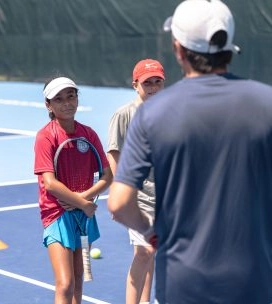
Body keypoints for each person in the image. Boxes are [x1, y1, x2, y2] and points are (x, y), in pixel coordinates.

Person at [107, 0, 272, 303]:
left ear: (178, 49)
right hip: (255, 279)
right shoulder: (266, 103)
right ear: (229, 45)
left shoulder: (153, 114)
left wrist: (150, 231)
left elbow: (118, 204)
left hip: (185, 282)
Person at [34, 76, 112, 303]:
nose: (67, 103)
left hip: (81, 213)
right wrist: (83, 202)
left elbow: (108, 177)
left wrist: (82, 200)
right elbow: (50, 183)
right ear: (48, 105)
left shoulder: (89, 134)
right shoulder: (45, 136)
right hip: (56, 215)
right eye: (58, 99)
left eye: (71, 96)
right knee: (65, 283)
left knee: (78, 281)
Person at [107, 59, 165, 304]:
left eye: (157, 82)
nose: (152, 87)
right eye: (147, 83)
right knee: (144, 252)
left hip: (164, 198)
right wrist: (120, 194)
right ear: (135, 85)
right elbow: (114, 154)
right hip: (138, 198)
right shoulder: (124, 115)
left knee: (152, 253)